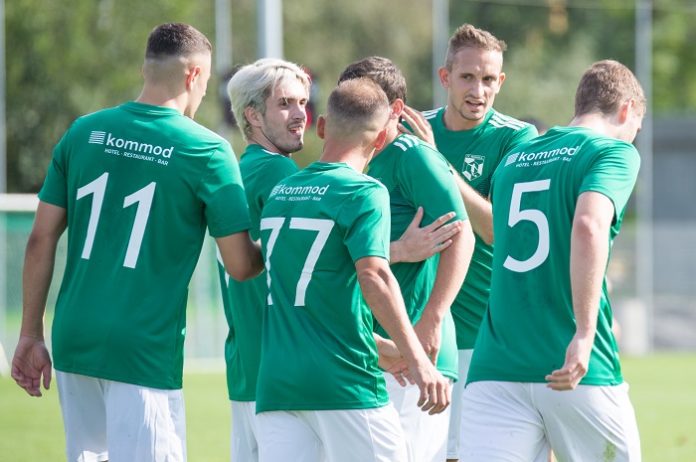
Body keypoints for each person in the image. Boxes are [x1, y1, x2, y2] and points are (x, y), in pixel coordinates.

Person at [11, 23, 262, 462]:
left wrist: (31, 333)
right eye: (206, 82)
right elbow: (240, 266)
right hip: (142, 348)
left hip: (74, 337)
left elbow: (40, 239)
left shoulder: (84, 131)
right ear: (193, 75)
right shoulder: (206, 150)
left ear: (147, 68)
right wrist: (282, 240)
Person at [255, 78, 451, 462]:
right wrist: (419, 361)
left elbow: (313, 302)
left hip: (278, 385)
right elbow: (374, 276)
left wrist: (385, 348)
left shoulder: (281, 194)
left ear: (322, 126)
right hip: (344, 383)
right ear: (381, 140)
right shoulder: (364, 191)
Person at [461, 59, 644, 461]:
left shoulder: (513, 161)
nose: (634, 137)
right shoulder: (613, 151)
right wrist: (584, 332)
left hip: (495, 369)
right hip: (572, 366)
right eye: (637, 127)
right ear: (627, 109)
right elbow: (589, 225)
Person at [401, 23, 538, 461]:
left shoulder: (516, 138)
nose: (478, 90)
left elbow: (496, 229)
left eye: (488, 79)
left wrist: (436, 163)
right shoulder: (409, 131)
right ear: (445, 78)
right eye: (467, 77)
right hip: (417, 325)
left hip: (485, 331)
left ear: (501, 81)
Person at [338, 56, 475, 461]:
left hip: (415, 353)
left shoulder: (413, 156)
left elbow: (463, 235)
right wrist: (397, 249)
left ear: (395, 109)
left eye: (367, 103)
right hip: (372, 351)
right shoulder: (356, 159)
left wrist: (432, 319)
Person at [219, 57, 311, 462]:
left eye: (303, 102)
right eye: (285, 104)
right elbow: (323, 259)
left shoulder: (237, 170)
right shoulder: (280, 176)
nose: (300, 114)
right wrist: (399, 250)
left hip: (246, 366)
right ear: (253, 115)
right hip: (283, 371)